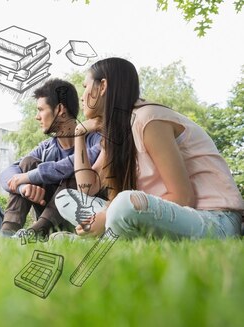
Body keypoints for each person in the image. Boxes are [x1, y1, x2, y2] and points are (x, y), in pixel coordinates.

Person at [61, 57, 243, 239]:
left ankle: (98, 240)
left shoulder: (149, 120)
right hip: (161, 216)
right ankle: (116, 232)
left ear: (102, 86)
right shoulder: (118, 131)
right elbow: (87, 188)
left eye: (85, 87)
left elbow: (183, 198)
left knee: (123, 204)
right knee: (66, 199)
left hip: (214, 219)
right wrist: (79, 134)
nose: (82, 96)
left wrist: (107, 215)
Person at [0, 78, 101, 238]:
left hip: (82, 217)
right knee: (28, 163)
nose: (37, 117)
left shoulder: (95, 138)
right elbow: (6, 175)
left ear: (60, 109)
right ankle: (7, 233)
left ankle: (37, 231)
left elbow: (71, 164)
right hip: (49, 216)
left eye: (40, 109)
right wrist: (23, 187)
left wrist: (29, 176)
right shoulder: (46, 148)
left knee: (76, 171)